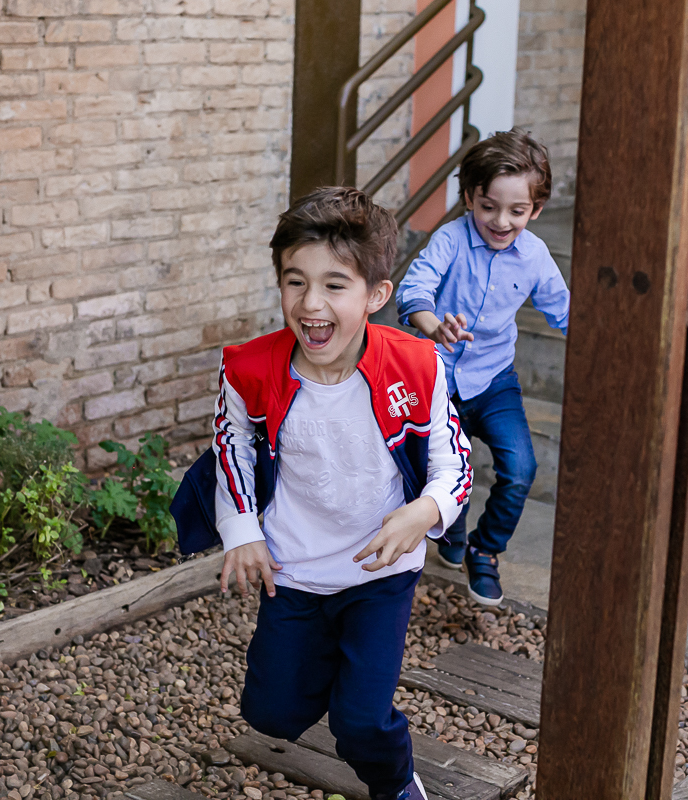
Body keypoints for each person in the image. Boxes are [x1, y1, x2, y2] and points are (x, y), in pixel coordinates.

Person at [197, 187, 473, 800]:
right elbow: (231, 442)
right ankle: (331, 668)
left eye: (335, 285)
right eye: (295, 282)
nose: (311, 303)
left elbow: (454, 462)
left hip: (382, 571)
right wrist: (241, 530)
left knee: (360, 722)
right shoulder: (249, 367)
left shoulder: (419, 365)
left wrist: (425, 511)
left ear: (377, 294)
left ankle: (398, 782)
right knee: (271, 715)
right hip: (294, 570)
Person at [395, 129, 570, 607]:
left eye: (517, 211)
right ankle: (451, 530)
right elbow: (413, 291)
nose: (500, 220)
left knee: (520, 468)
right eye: (489, 206)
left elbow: (565, 311)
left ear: (535, 210)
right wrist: (433, 325)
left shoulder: (534, 255)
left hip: (495, 382)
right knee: (455, 466)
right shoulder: (450, 239)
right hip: (439, 381)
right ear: (470, 197)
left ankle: (485, 549)